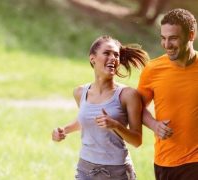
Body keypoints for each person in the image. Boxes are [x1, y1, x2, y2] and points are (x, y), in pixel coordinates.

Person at [52, 35, 149, 180]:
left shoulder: (128, 95)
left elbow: (137, 141)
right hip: (85, 168)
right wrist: (64, 130)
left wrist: (115, 125)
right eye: (107, 53)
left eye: (116, 55)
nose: (113, 58)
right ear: (93, 59)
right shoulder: (80, 92)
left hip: (118, 171)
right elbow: (87, 120)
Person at [137, 8, 198, 180]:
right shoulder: (153, 70)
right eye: (163, 38)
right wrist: (154, 125)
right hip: (166, 161)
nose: (166, 44)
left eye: (173, 38)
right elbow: (137, 107)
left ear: (191, 35)